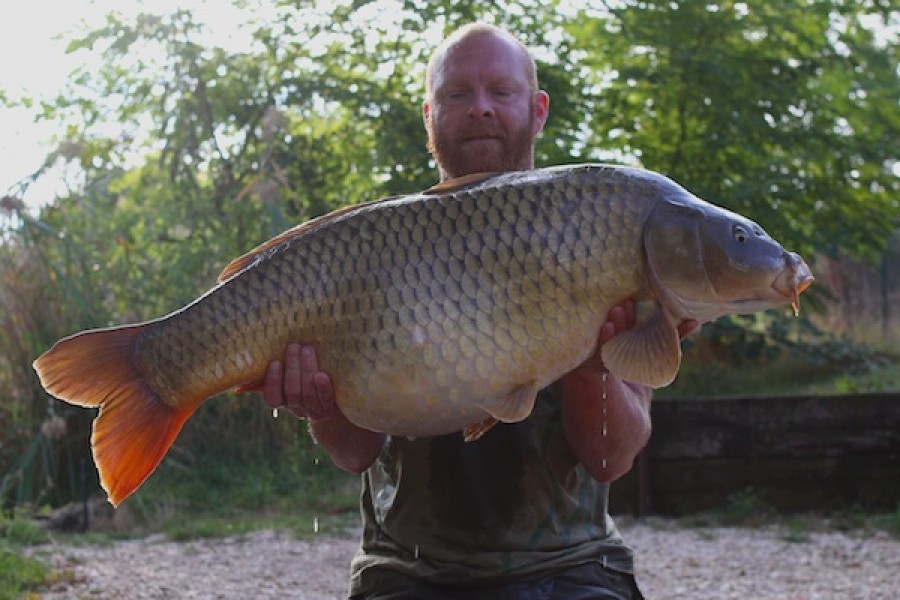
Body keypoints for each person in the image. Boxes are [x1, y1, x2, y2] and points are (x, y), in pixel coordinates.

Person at [261, 23, 695, 599]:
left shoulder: (598, 234)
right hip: (407, 571)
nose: (481, 109)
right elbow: (354, 452)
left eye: (501, 92)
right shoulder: (375, 249)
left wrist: (591, 366)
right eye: (458, 94)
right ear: (429, 115)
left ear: (537, 110)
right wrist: (319, 406)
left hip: (570, 566)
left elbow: (610, 457)